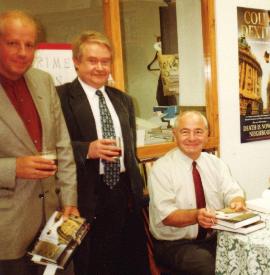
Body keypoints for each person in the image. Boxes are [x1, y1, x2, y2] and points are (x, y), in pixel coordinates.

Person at [57, 31, 150, 275]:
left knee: (126, 260)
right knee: (92, 264)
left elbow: (130, 152)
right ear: (76, 61)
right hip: (84, 194)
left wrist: (137, 192)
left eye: (105, 61)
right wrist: (86, 149)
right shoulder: (60, 98)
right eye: (92, 60)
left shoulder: (123, 100)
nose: (100, 67)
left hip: (122, 193)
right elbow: (49, 148)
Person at [0, 10, 78, 275]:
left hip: (54, 223)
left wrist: (69, 201)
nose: (23, 52)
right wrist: (12, 168)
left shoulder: (43, 81)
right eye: (12, 43)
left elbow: (64, 148)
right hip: (7, 229)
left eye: (29, 44)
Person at [148, 111, 245, 275]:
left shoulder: (215, 163)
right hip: (174, 244)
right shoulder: (161, 169)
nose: (192, 138)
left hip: (214, 237)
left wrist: (237, 201)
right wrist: (196, 216)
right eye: (185, 132)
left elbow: (233, 192)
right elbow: (167, 217)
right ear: (174, 135)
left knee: (244, 254)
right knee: (207, 265)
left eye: (198, 132)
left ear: (207, 135)